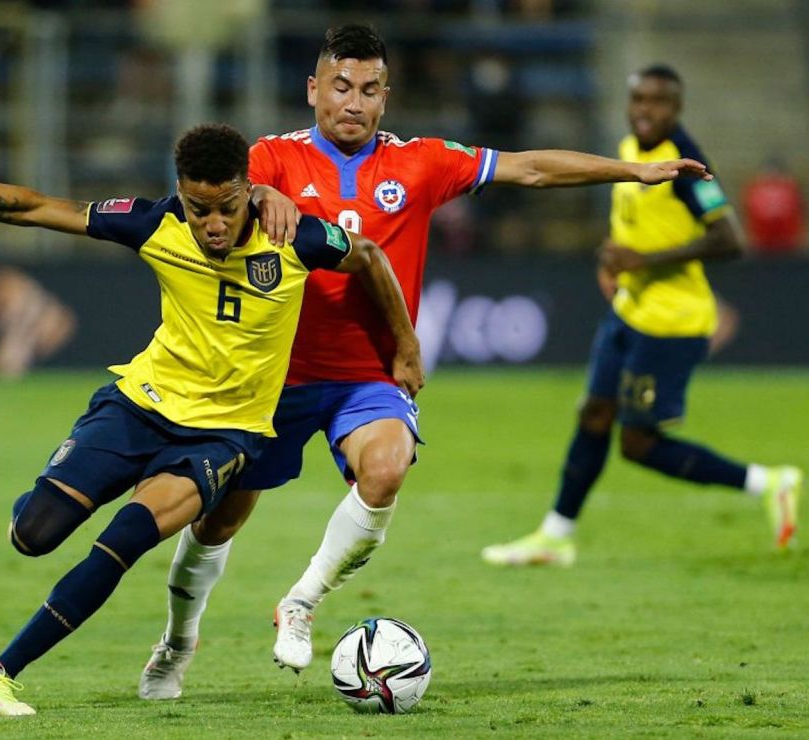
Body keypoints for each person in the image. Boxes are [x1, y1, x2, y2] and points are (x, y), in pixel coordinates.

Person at [139, 27, 715, 700]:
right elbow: (224, 201)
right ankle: (176, 644)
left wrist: (636, 171)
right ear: (314, 90)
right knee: (218, 522)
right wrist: (266, 197)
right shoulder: (271, 158)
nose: (353, 102)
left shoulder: (421, 163)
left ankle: (300, 601)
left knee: (386, 469)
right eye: (340, 87)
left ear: (386, 98)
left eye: (369, 90)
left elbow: (529, 168)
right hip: (276, 375)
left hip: (370, 377)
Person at [0, 122, 421, 715]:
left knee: (123, 542)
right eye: (200, 210)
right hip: (139, 406)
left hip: (223, 437)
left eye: (225, 208)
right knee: (32, 535)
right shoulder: (156, 224)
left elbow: (371, 256)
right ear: (181, 194)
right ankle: (63, 487)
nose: (213, 225)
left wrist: (405, 345)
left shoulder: (295, 238)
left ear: (249, 190)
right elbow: (34, 207)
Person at [481, 65, 804, 568]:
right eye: (638, 100)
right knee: (593, 413)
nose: (644, 110)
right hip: (630, 310)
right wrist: (614, 258)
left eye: (657, 102)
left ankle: (769, 482)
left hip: (671, 323)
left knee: (637, 443)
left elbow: (729, 238)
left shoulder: (684, 164)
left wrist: (643, 262)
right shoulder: (632, 151)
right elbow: (633, 223)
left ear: (676, 109)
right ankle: (556, 535)